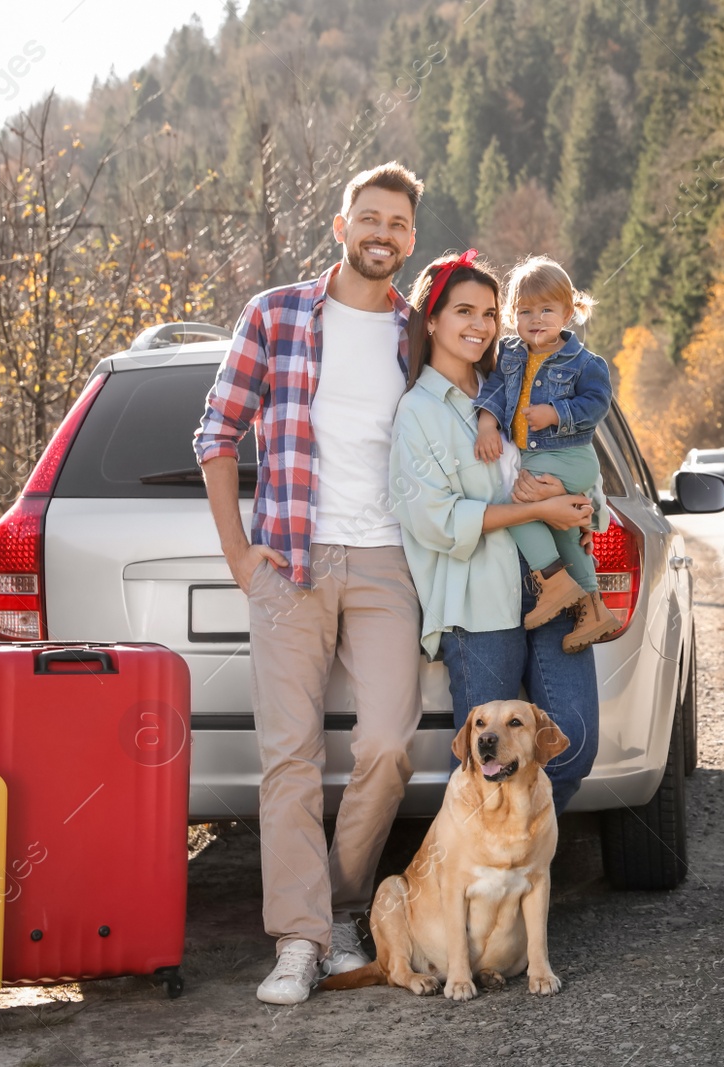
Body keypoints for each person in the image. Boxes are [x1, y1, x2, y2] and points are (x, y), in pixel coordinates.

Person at [194, 162, 426, 1006]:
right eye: (369, 218)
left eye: (397, 223)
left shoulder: (418, 331)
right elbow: (216, 432)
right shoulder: (277, 313)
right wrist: (238, 556)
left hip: (387, 560)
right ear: (341, 226)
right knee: (288, 755)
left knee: (388, 744)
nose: (382, 233)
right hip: (290, 559)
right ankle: (299, 939)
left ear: (410, 238)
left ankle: (337, 903)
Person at [389, 249, 603, 816]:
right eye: (464, 311)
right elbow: (435, 520)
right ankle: (493, 886)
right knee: (492, 760)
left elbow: (576, 456)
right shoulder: (417, 412)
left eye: (489, 313)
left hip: (551, 583)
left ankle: (525, 853)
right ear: (431, 320)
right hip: (479, 603)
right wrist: (540, 513)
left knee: (572, 742)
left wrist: (581, 508)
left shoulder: (516, 377)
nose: (480, 326)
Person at [472, 255, 619, 653]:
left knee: (517, 507)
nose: (535, 319)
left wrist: (557, 413)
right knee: (563, 528)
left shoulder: (585, 363)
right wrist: (487, 423)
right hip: (541, 459)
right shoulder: (511, 354)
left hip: (570, 455)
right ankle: (592, 606)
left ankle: (554, 582)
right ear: (511, 316)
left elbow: (597, 403)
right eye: (525, 311)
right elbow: (496, 390)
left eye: (547, 310)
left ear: (569, 313)